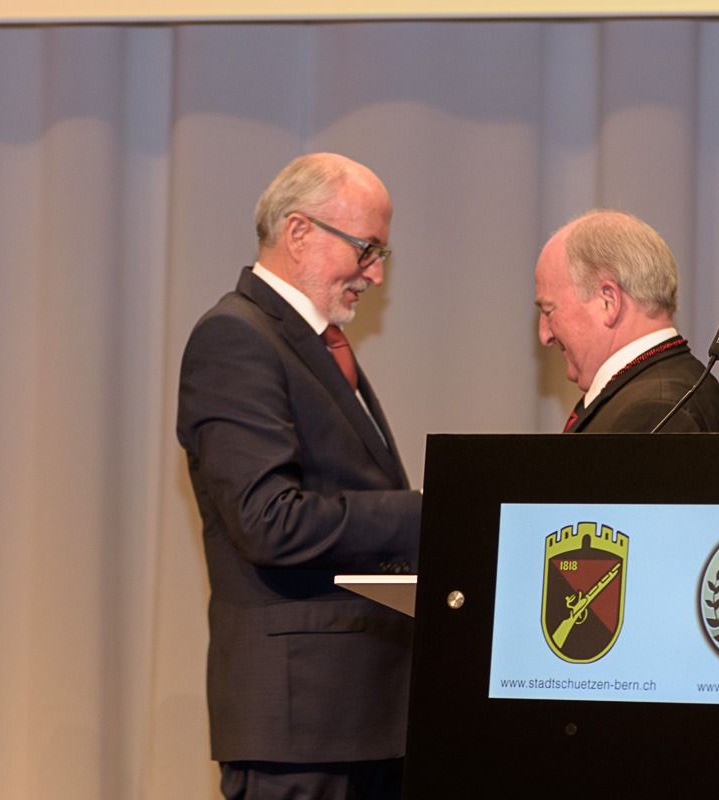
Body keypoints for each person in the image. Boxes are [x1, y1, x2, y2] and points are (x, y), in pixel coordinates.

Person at [175, 153, 421, 800]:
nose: (375, 273)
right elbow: (267, 521)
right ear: (299, 232)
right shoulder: (235, 338)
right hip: (299, 724)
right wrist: (421, 514)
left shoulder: (314, 343)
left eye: (381, 255)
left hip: (356, 719)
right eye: (367, 249)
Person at [535, 209, 719, 433]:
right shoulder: (654, 393)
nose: (544, 335)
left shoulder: (656, 410)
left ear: (608, 301)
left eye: (549, 310)